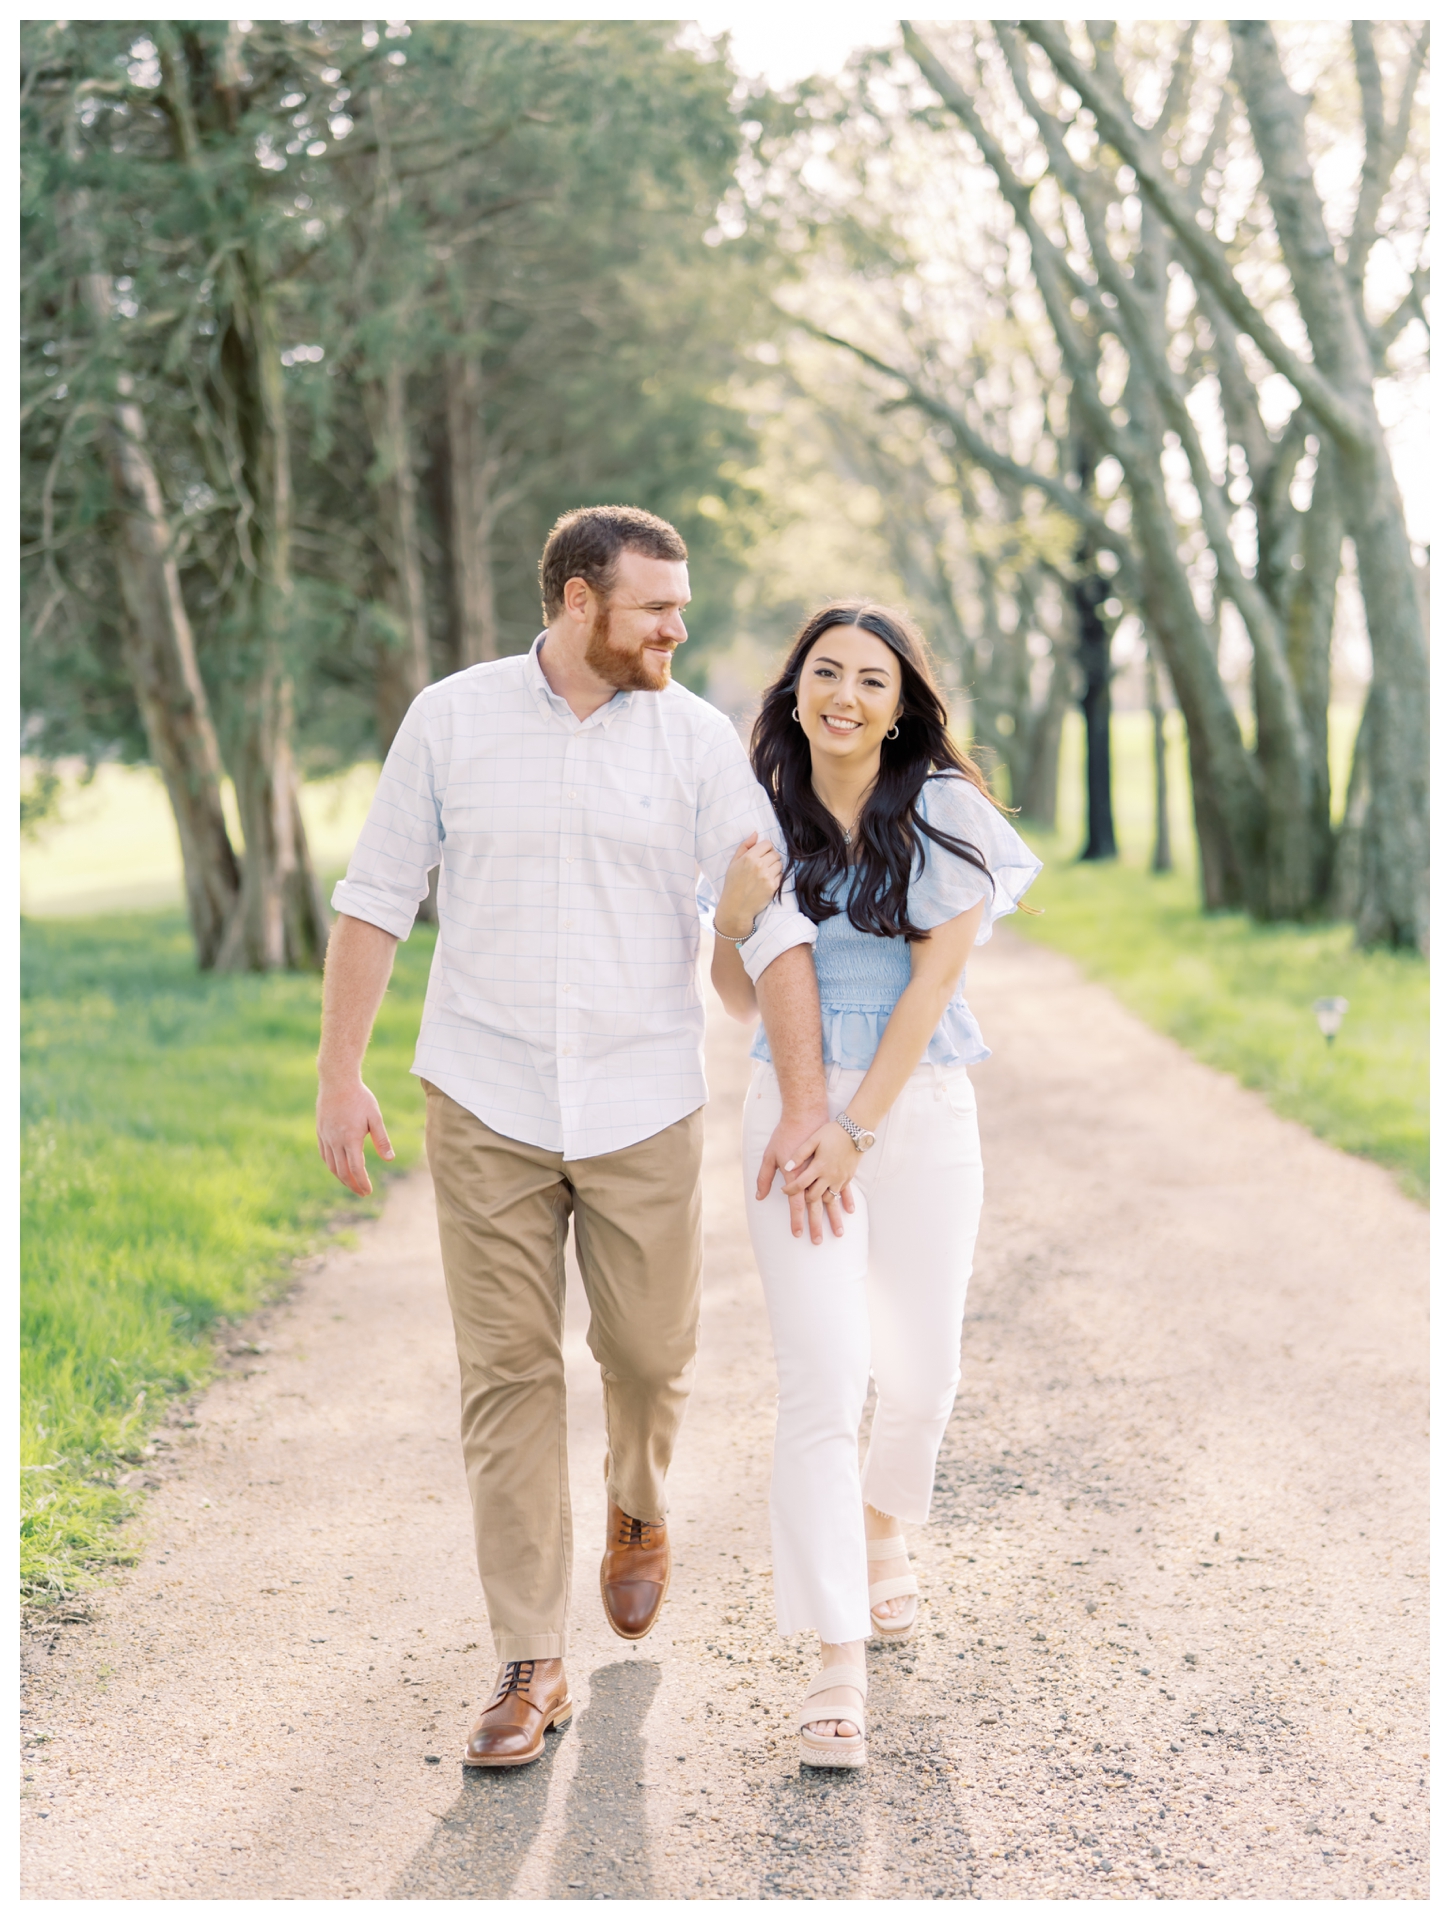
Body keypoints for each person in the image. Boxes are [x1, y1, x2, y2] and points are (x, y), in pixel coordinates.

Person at [315, 505, 844, 1769]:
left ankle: (637, 1506)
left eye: (680, 605)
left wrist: (811, 1098)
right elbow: (377, 896)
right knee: (506, 1377)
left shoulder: (696, 742)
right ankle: (529, 1664)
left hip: (640, 1099)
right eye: (655, 607)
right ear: (573, 602)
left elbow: (768, 923)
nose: (677, 627)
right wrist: (340, 1072)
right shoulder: (450, 719)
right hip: (484, 1095)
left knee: (652, 1357)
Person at [708, 600, 1041, 1770]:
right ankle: (832, 1655)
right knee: (819, 1381)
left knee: (921, 1374)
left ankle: (884, 1529)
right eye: (824, 673)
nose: (844, 695)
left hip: (910, 1107)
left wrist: (854, 1123)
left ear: (903, 709)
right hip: (787, 1117)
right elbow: (742, 998)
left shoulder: (943, 812)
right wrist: (731, 920)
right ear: (792, 687)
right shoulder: (757, 817)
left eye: (871, 681)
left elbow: (929, 990)